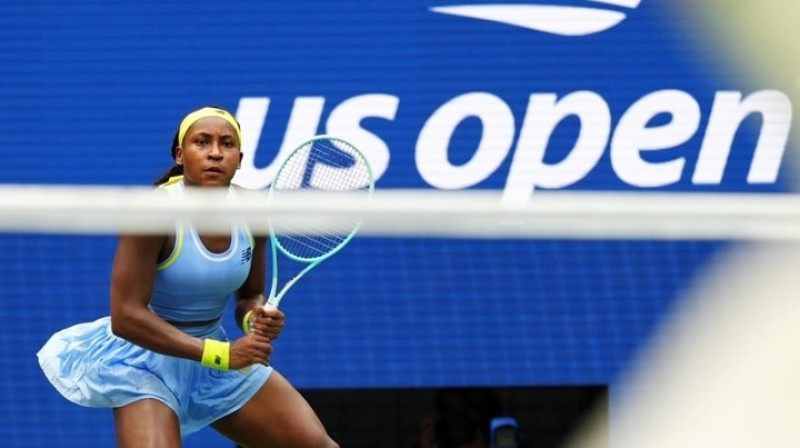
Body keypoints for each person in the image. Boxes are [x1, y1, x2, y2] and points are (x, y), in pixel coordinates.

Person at [37, 106, 339, 448]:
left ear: (239, 159)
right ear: (181, 155)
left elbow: (249, 294)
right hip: (145, 361)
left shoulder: (252, 211)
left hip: (214, 356)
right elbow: (126, 318)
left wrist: (254, 316)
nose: (214, 152)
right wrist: (221, 355)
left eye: (226, 144)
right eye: (202, 142)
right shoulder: (153, 213)